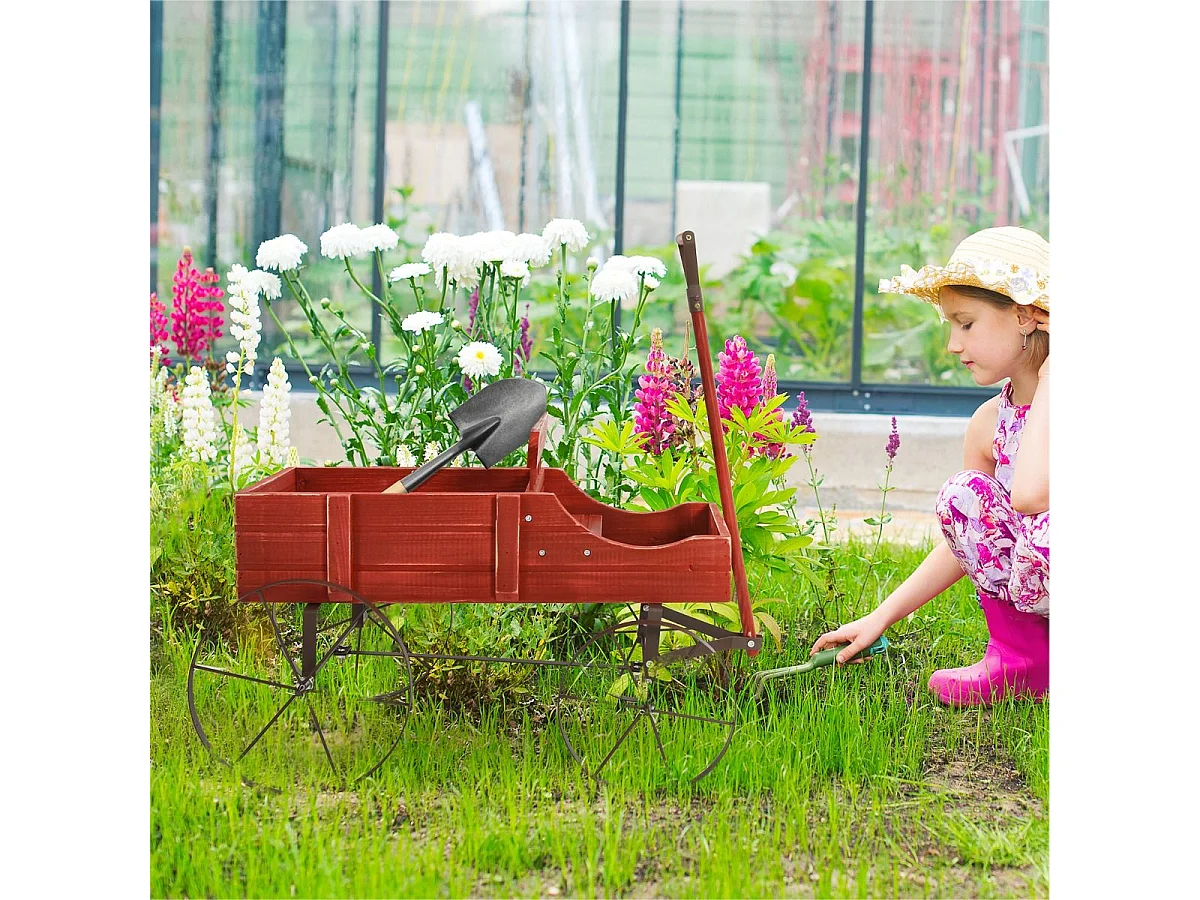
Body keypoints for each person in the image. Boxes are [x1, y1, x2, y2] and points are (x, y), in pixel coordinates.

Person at [811, 226, 1050, 707]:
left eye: (966, 324)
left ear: (1024, 315)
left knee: (1047, 527)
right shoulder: (988, 425)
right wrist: (880, 617)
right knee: (965, 496)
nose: (952, 345)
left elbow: (1028, 498)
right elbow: (968, 540)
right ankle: (1024, 658)